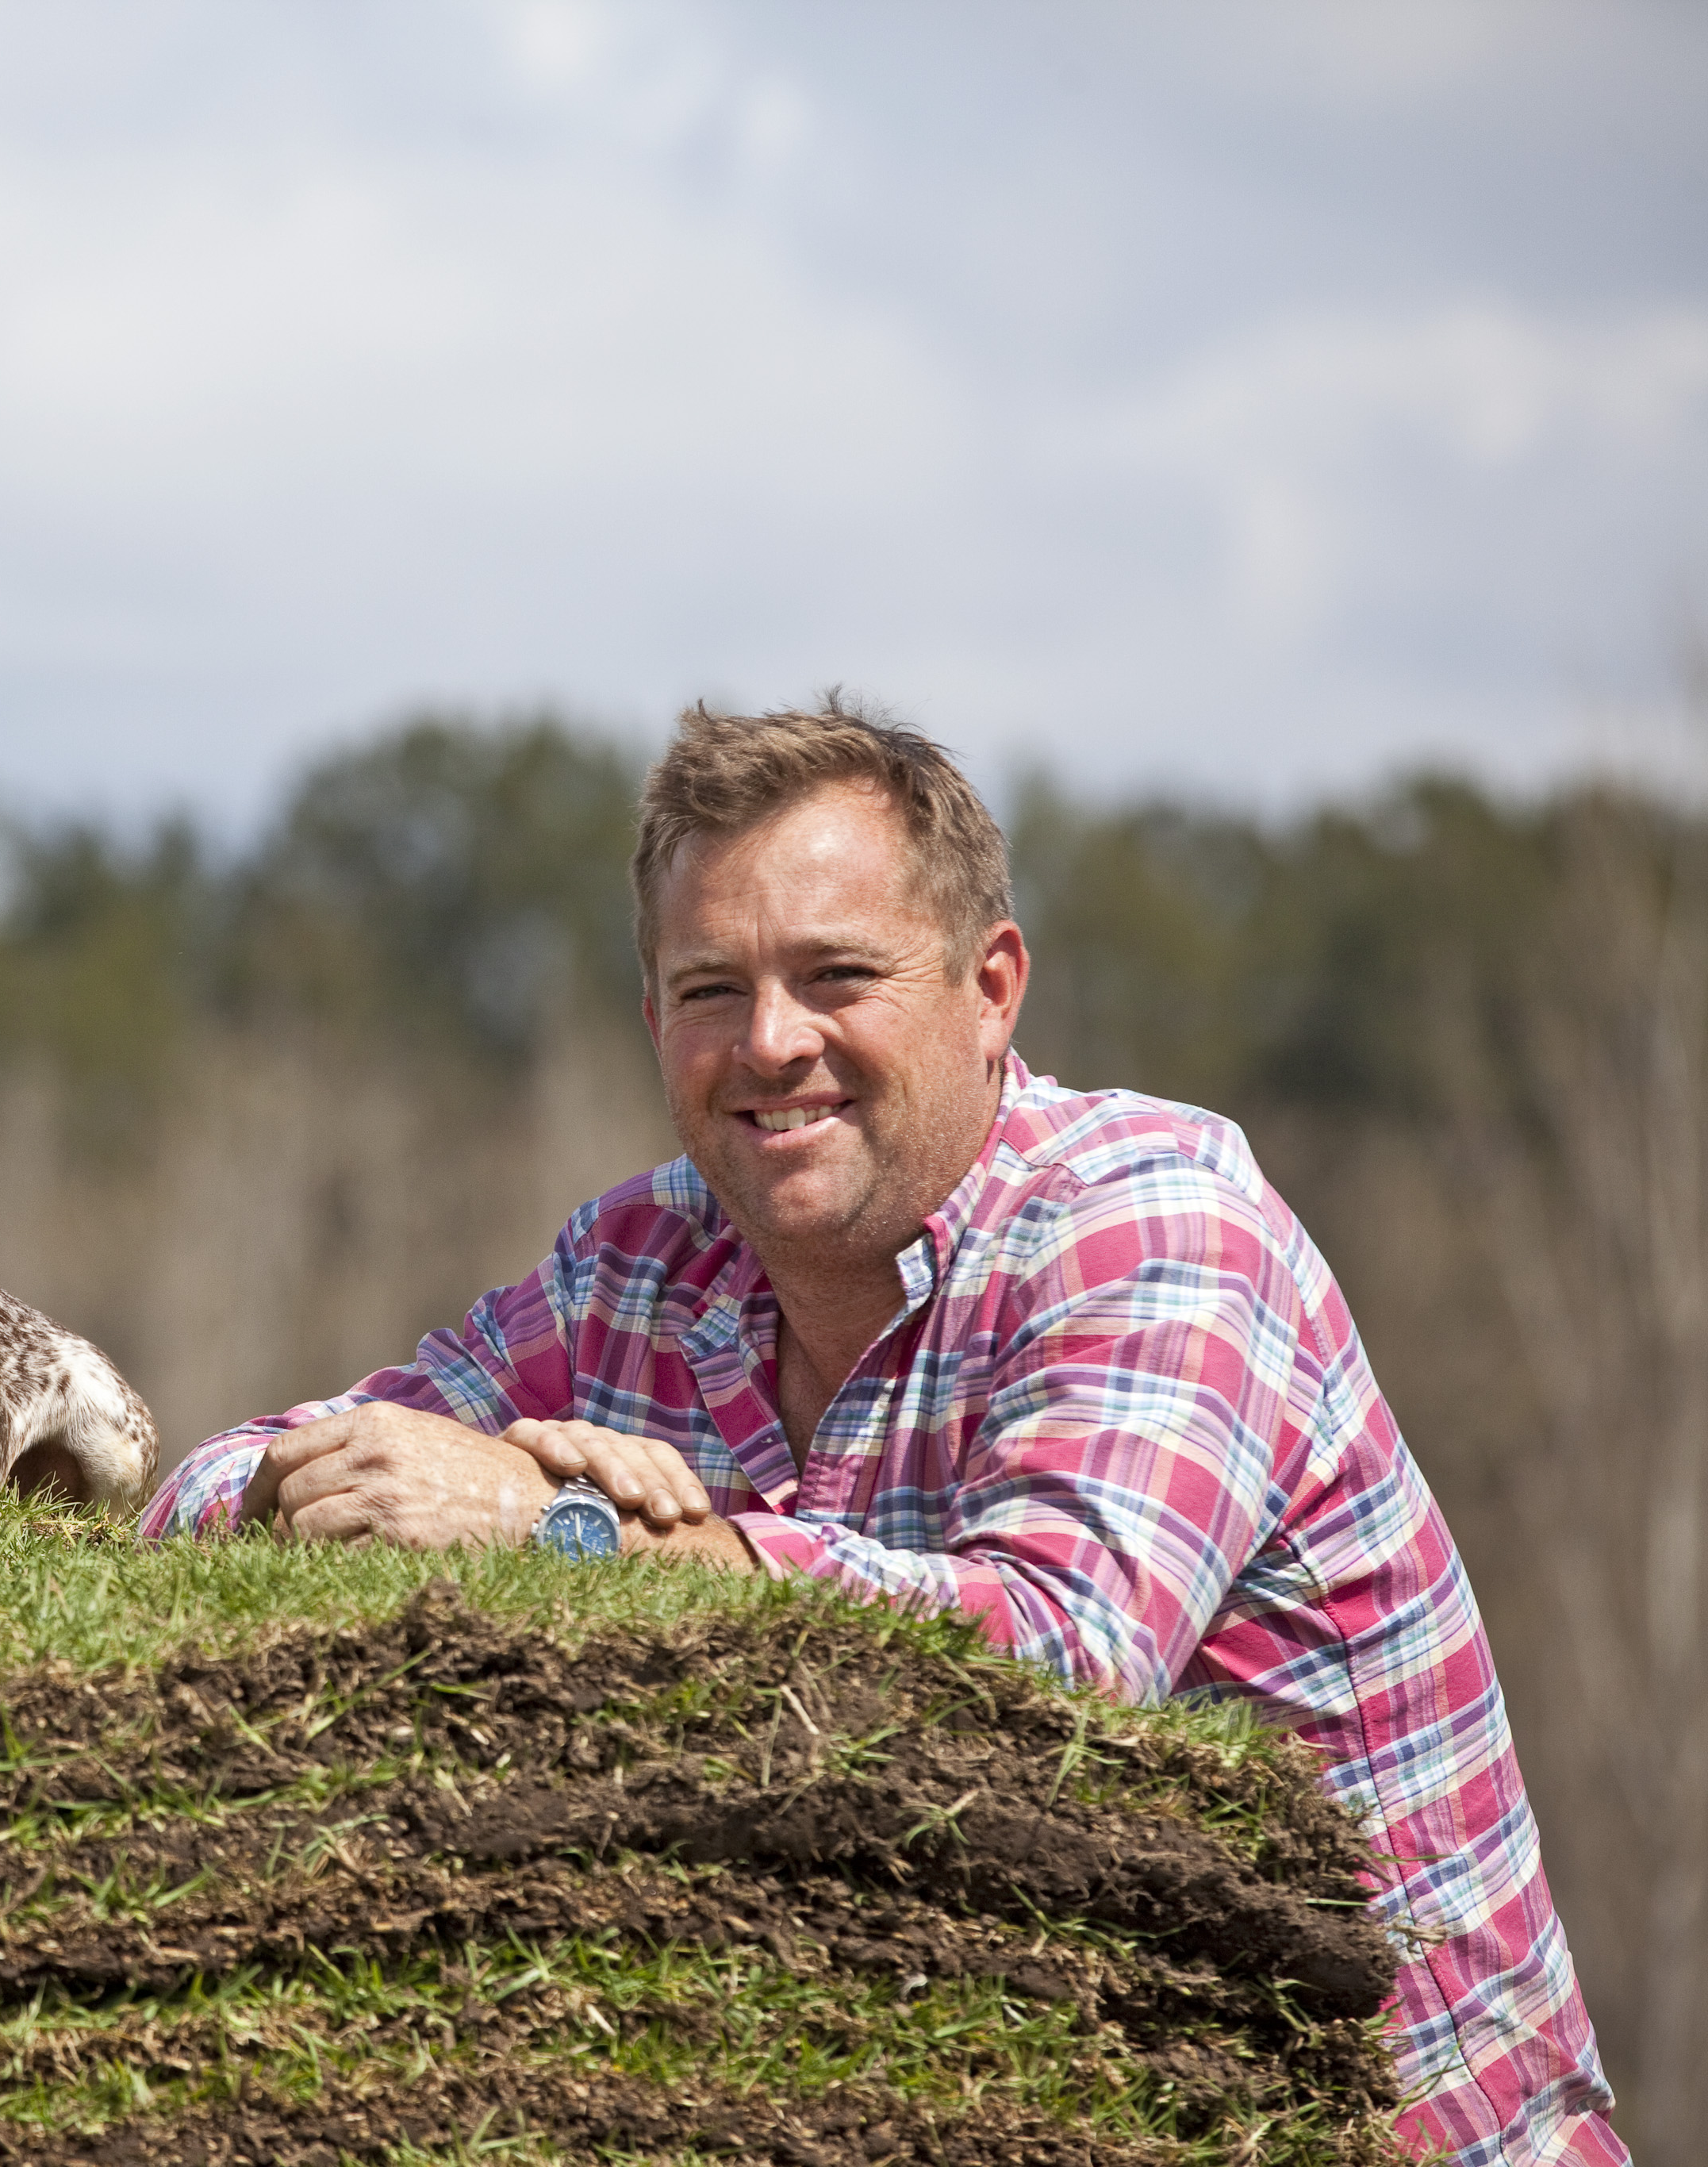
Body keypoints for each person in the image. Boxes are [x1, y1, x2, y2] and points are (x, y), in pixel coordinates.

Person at [140, 700, 1622, 2164]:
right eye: (711, 988)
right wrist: (357, 1487)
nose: (773, 1042)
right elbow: (198, 1493)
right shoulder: (637, 1266)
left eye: (837, 973)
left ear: (992, 988)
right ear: (654, 1018)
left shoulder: (1156, 1221)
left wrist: (570, 1537)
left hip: (1395, 2131)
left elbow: (1054, 1660)